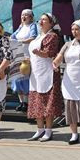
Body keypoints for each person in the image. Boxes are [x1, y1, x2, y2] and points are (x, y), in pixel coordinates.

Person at [27, 14, 64, 142]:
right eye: (40, 19)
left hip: (47, 72)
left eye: (44, 19)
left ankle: (48, 131)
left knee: (48, 102)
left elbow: (50, 53)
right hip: (35, 73)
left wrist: (38, 53)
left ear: (50, 23)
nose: (41, 21)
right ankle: (39, 129)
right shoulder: (38, 37)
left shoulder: (52, 36)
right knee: (37, 101)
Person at [10, 9, 37, 112]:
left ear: (31, 17)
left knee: (25, 78)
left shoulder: (32, 26)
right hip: (17, 55)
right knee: (17, 79)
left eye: (26, 15)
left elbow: (33, 37)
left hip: (26, 56)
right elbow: (13, 36)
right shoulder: (21, 27)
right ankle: (21, 102)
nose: (23, 17)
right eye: (22, 15)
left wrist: (20, 41)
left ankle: (27, 102)